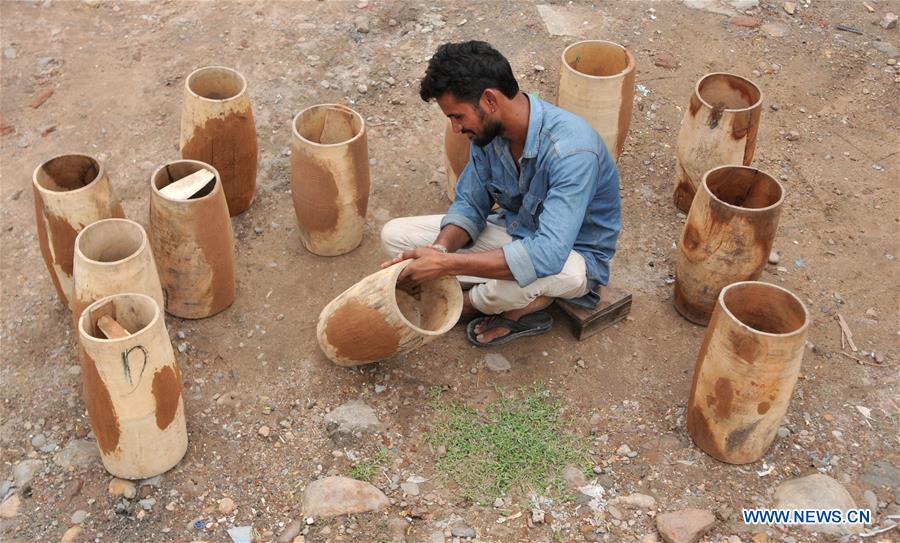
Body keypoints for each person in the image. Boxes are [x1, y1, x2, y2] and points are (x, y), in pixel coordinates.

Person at [380, 40, 621, 347]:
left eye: (457, 116)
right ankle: (502, 293)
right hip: (515, 232)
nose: (455, 128)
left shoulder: (572, 151)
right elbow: (469, 204)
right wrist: (439, 251)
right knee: (393, 237)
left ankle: (472, 304)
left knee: (548, 275)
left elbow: (547, 254)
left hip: (572, 258)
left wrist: (447, 266)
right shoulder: (488, 134)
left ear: (490, 101)